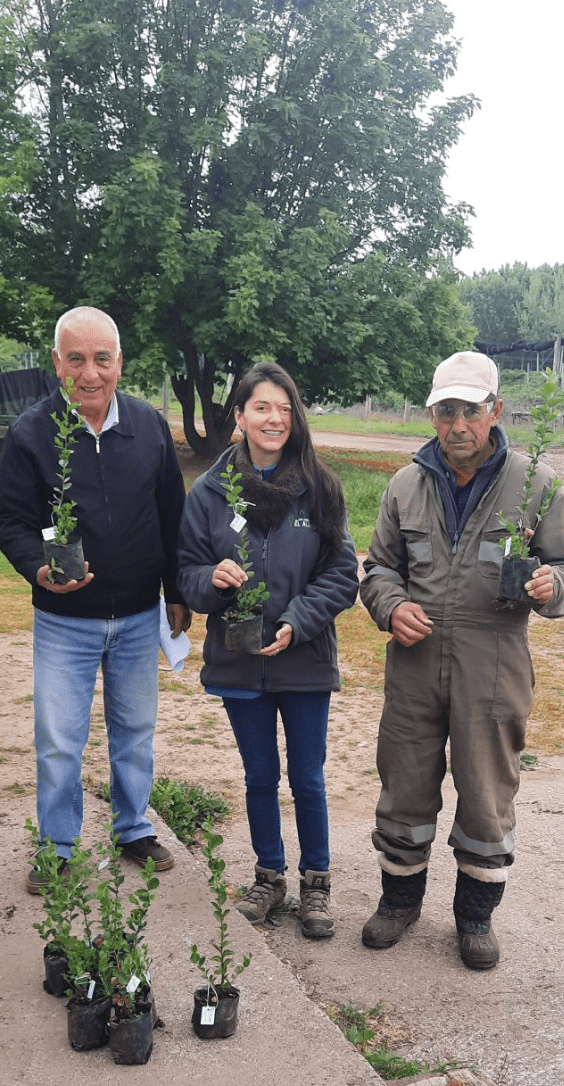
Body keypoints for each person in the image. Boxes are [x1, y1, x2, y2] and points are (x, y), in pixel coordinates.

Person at [359, 351, 564, 968]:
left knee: (487, 792)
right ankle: (399, 901)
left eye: (471, 410)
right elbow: (378, 567)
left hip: (494, 664)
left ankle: (474, 917)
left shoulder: (535, 483)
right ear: (433, 414)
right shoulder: (405, 486)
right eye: (446, 411)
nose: (458, 424)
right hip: (414, 662)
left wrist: (550, 585)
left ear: (496, 411)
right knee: (404, 783)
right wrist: (390, 606)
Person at [0, 306, 191, 892]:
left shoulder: (149, 426)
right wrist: (37, 568)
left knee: (135, 730)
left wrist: (177, 592)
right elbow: (11, 520)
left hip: (135, 616)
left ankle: (132, 827)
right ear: (57, 362)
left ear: (120, 363)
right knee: (58, 739)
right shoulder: (32, 433)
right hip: (64, 622)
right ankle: (57, 844)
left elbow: (173, 515)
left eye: (102, 358)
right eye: (76, 358)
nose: (90, 372)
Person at [177, 362, 358, 938]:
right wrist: (211, 579)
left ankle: (317, 884)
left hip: (302, 659)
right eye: (261, 407)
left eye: (283, 407)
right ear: (240, 416)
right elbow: (183, 573)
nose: (273, 418)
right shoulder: (209, 493)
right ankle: (269, 876)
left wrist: (298, 620)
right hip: (238, 659)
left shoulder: (320, 487)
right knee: (259, 775)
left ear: (294, 415)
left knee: (307, 776)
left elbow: (342, 573)